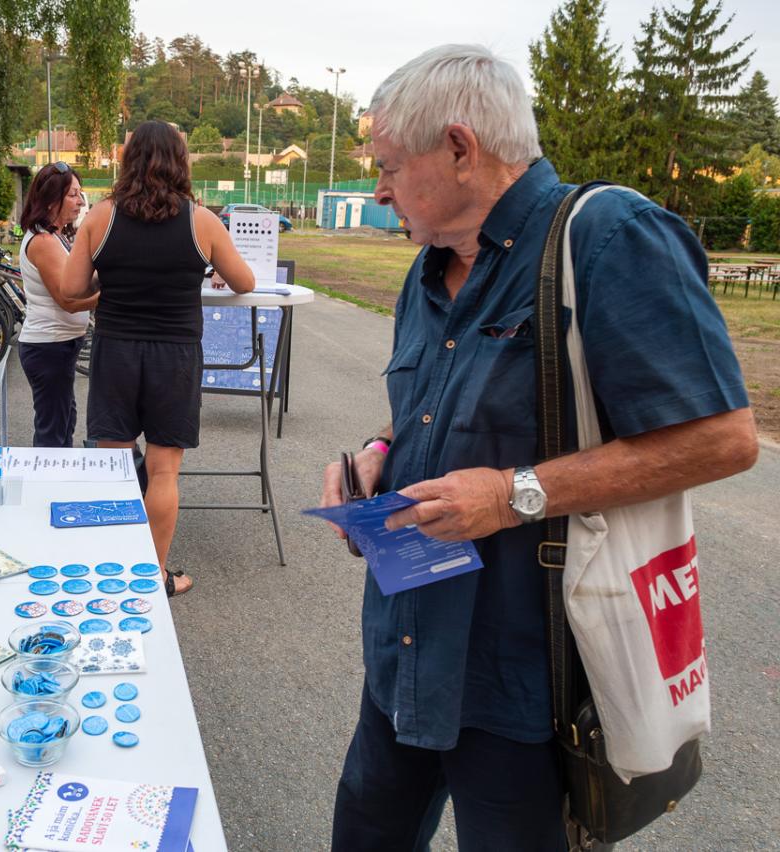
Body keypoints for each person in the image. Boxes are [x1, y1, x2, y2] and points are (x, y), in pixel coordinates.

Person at [319, 45, 758, 850]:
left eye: (388, 166)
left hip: (525, 681)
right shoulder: (427, 272)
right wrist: (379, 450)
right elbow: (434, 406)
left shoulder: (609, 239)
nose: (378, 190)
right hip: (407, 650)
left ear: (460, 148)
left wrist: (510, 494)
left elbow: (721, 439)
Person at [62, 120, 255, 597]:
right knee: (164, 471)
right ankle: (155, 575)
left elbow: (71, 288)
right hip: (176, 355)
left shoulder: (100, 217)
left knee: (113, 468)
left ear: (129, 162)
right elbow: (245, 281)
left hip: (116, 350)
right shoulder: (201, 221)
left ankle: (110, 571)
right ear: (180, 162)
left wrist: (112, 275)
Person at [16, 162, 95, 447]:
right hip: (49, 346)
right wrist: (113, 296)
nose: (80, 201)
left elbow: (82, 281)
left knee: (64, 421)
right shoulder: (44, 242)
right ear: (51, 200)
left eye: (80, 193)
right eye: (73, 194)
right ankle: (46, 476)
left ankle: (55, 473)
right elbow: (68, 301)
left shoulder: (55, 236)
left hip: (58, 345)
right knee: (53, 433)